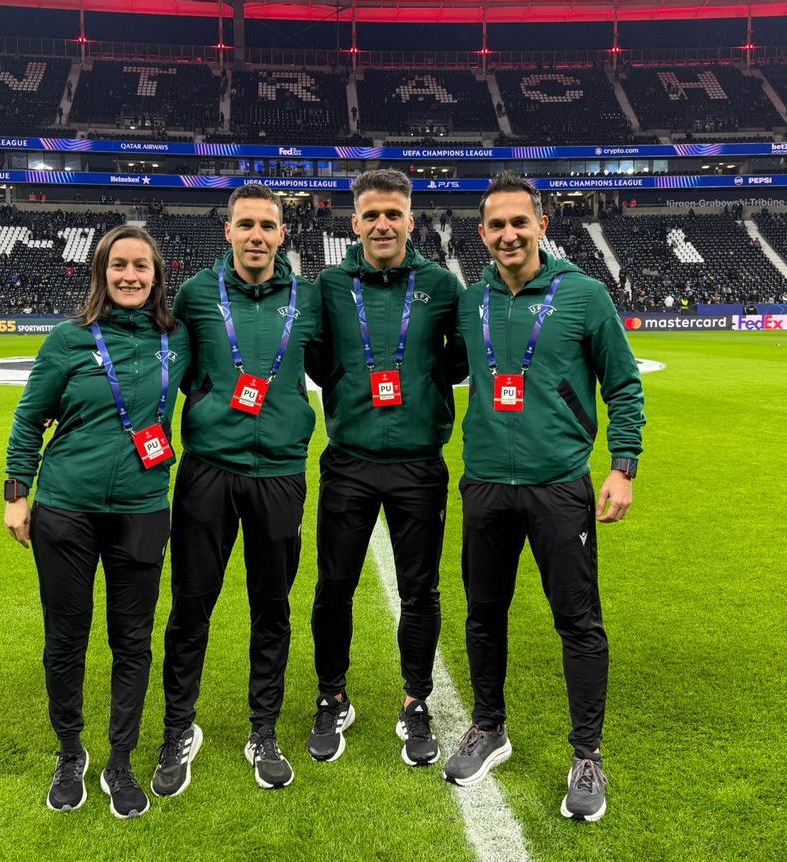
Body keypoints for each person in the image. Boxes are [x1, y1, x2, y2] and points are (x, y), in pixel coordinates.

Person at [443, 172, 645, 824]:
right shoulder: (470, 302)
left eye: (518, 223)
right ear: (482, 233)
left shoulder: (584, 296)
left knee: (579, 622)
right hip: (485, 487)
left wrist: (623, 467)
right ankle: (489, 727)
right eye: (496, 225)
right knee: (483, 615)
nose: (507, 234)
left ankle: (587, 754)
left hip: (560, 486)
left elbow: (624, 385)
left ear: (540, 226)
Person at [4, 225, 189, 819]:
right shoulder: (68, 340)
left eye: (142, 266)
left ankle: (120, 760)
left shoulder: (178, 340)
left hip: (141, 509)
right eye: (119, 265)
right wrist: (16, 494)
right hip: (66, 510)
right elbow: (30, 419)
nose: (130, 276)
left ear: (158, 276)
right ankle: (68, 753)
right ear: (101, 273)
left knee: (132, 641)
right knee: (65, 638)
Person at [153, 184, 321, 796]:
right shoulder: (197, 294)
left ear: (283, 234)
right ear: (228, 231)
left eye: (267, 226)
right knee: (191, 607)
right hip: (209, 473)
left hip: (279, 473)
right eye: (245, 224)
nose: (256, 235)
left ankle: (264, 730)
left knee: (271, 609)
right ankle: (179, 728)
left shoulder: (311, 298)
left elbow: (333, 365)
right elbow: (170, 371)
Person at [305, 169, 464, 766]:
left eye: (393, 214)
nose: (382, 224)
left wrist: (419, 389)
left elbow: (457, 360)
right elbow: (318, 361)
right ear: (354, 222)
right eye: (371, 214)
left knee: (420, 590)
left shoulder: (442, 286)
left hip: (420, 464)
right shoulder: (327, 285)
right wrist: (352, 387)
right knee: (334, 587)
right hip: (348, 460)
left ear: (410, 221)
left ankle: (416, 699)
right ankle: (332, 695)